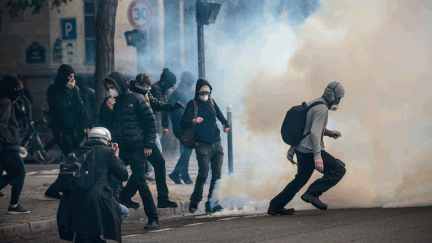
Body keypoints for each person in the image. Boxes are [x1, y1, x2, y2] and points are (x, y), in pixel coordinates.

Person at [267, 81, 347, 216]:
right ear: (332, 96)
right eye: (338, 98)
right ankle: (312, 193)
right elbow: (315, 133)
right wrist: (318, 156)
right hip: (310, 150)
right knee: (339, 169)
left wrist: (328, 132)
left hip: (301, 149)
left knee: (300, 179)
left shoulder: (316, 102)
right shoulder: (322, 109)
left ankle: (275, 206)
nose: (338, 101)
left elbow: (308, 127)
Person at [99, 71, 161, 230]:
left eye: (113, 87)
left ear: (120, 84)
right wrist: (108, 110)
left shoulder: (137, 98)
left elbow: (151, 123)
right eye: (109, 88)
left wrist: (148, 144)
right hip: (117, 149)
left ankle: (153, 218)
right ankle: (111, 216)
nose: (111, 90)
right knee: (111, 181)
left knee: (141, 182)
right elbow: (103, 124)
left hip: (136, 148)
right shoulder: (108, 102)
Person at [57, 127, 129, 243]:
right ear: (106, 140)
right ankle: (93, 236)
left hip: (71, 201)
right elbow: (124, 175)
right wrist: (116, 156)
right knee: (124, 211)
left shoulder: (76, 151)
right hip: (97, 200)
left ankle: (88, 236)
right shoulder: (108, 152)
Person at [129, 73, 183, 208]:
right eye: (145, 87)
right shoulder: (132, 97)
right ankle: (124, 196)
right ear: (137, 85)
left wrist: (171, 106)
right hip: (137, 139)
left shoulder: (145, 95)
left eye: (148, 87)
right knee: (140, 170)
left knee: (157, 163)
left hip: (146, 137)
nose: (147, 90)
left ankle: (163, 198)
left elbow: (156, 103)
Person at [180, 79, 230, 213]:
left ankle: (212, 203)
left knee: (217, 176)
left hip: (216, 143)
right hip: (202, 145)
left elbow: (220, 115)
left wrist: (226, 124)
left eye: (208, 92)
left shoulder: (212, 102)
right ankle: (194, 202)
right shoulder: (193, 104)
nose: (206, 94)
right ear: (198, 91)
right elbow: (183, 122)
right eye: (203, 92)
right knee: (203, 174)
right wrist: (193, 120)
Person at [44, 64, 92, 200]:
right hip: (62, 132)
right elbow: (62, 108)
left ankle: (57, 189)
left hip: (75, 132)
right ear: (63, 77)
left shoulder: (74, 89)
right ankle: (59, 188)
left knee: (73, 162)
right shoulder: (54, 90)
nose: (71, 79)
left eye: (73, 77)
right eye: (69, 77)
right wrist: (68, 90)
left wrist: (87, 124)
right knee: (73, 161)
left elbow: (81, 107)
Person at [0, 75, 30, 214]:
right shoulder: (6, 102)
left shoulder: (7, 101)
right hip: (7, 145)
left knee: (13, 174)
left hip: (7, 145)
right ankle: (14, 205)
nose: (17, 91)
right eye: (15, 88)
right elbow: (2, 125)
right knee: (20, 172)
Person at [168, 71, 196, 184]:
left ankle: (184, 175)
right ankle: (176, 174)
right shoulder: (181, 92)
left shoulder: (179, 91)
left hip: (181, 126)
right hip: (183, 127)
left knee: (186, 151)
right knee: (187, 151)